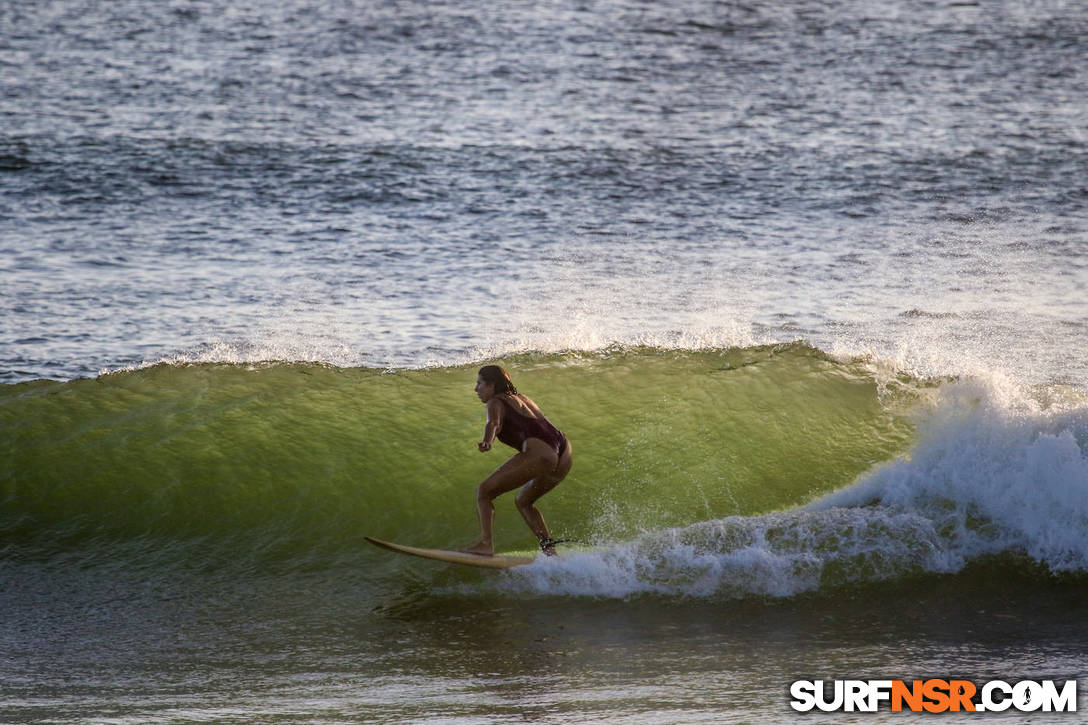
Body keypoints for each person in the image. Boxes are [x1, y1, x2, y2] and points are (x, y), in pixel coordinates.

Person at [460, 365, 572, 557]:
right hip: (564, 452)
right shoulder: (523, 398)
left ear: (492, 385)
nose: (475, 389)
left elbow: (493, 423)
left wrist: (488, 441)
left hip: (542, 453)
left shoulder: (496, 401)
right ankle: (549, 550)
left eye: (479, 383)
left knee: (484, 492)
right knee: (524, 501)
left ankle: (485, 544)